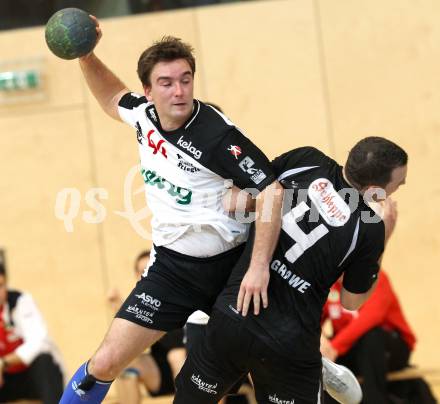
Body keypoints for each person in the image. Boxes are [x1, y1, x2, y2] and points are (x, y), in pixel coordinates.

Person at [59, 17, 283, 403]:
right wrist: (85, 55)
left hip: (230, 269)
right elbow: (113, 98)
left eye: (185, 79)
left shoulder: (217, 135)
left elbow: (273, 192)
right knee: (106, 362)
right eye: (166, 83)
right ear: (148, 90)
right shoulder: (143, 116)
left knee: (258, 369)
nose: (179, 91)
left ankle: (314, 366)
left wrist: (258, 266)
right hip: (171, 271)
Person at [173, 137, 408, 404]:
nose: (398, 188)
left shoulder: (306, 160)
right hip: (289, 344)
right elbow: (351, 301)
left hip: (234, 314)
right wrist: (384, 239)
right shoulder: (370, 228)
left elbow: (234, 203)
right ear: (375, 189)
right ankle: (319, 366)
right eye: (397, 185)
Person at [321, 200, 437, 404]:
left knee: (370, 337)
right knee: (321, 357)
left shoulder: (376, 279)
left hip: (390, 346)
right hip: (351, 349)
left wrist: (335, 347)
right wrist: (320, 340)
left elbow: (370, 318)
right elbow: (313, 315)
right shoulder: (328, 285)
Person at [107, 250, 186, 403]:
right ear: (138, 277)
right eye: (143, 271)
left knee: (177, 356)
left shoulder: (180, 293)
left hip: (191, 364)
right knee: (126, 365)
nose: (148, 274)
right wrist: (118, 306)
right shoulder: (142, 304)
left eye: (151, 268)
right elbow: (130, 340)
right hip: (160, 371)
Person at [0, 260, 65, 404]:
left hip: (31, 377)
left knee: (44, 360)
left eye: (0, 286)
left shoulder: (20, 301)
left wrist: (3, 362)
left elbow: (39, 342)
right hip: (4, 382)